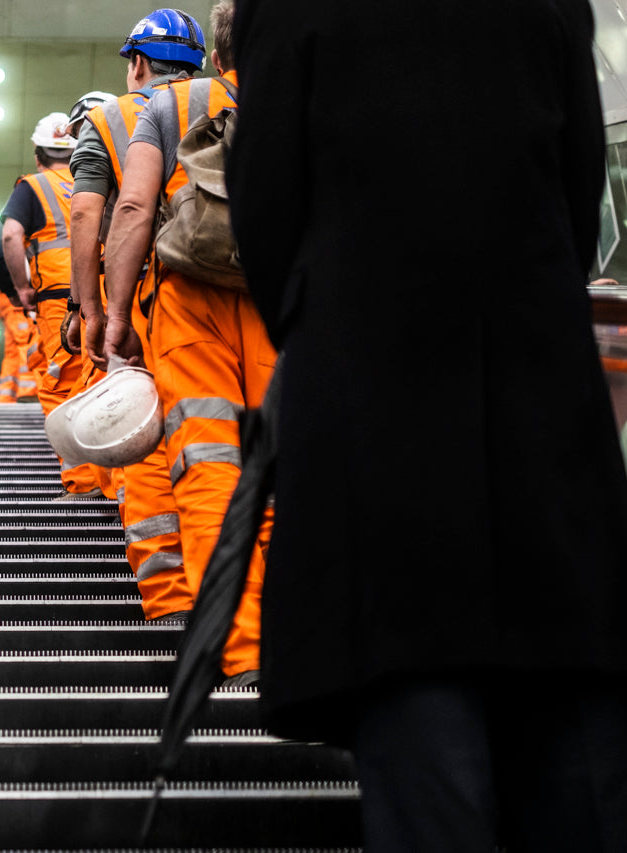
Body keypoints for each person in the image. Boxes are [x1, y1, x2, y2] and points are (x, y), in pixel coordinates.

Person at [227, 0, 627, 849]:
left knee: (417, 717)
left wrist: (326, 317)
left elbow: (266, 203)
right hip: (541, 398)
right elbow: (578, 186)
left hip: (374, 408)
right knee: (569, 716)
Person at [102, 0, 271, 680]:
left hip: (187, 302)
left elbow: (135, 207)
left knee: (208, 464)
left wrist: (116, 315)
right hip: (277, 298)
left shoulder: (167, 106)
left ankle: (240, 648)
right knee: (278, 465)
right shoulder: (302, 97)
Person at [65, 13, 205, 622]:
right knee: (226, 443)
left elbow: (90, 214)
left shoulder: (112, 118)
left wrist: (93, 309)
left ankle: (171, 598)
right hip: (251, 295)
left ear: (138, 64)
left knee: (149, 442)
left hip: (158, 302)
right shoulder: (234, 97)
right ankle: (238, 595)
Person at [2, 112, 104, 498]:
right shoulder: (96, 178)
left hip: (59, 300)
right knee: (101, 379)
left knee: (62, 386)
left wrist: (22, 288)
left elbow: (11, 236)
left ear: (37, 152)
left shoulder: (33, 186)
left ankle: (83, 482)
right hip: (108, 290)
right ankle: (115, 484)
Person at [0, 216, 38, 403]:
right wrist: (16, 288)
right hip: (13, 289)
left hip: (0, 292)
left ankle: (7, 394)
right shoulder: (12, 225)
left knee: (12, 345)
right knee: (26, 338)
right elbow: (4, 254)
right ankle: (29, 389)